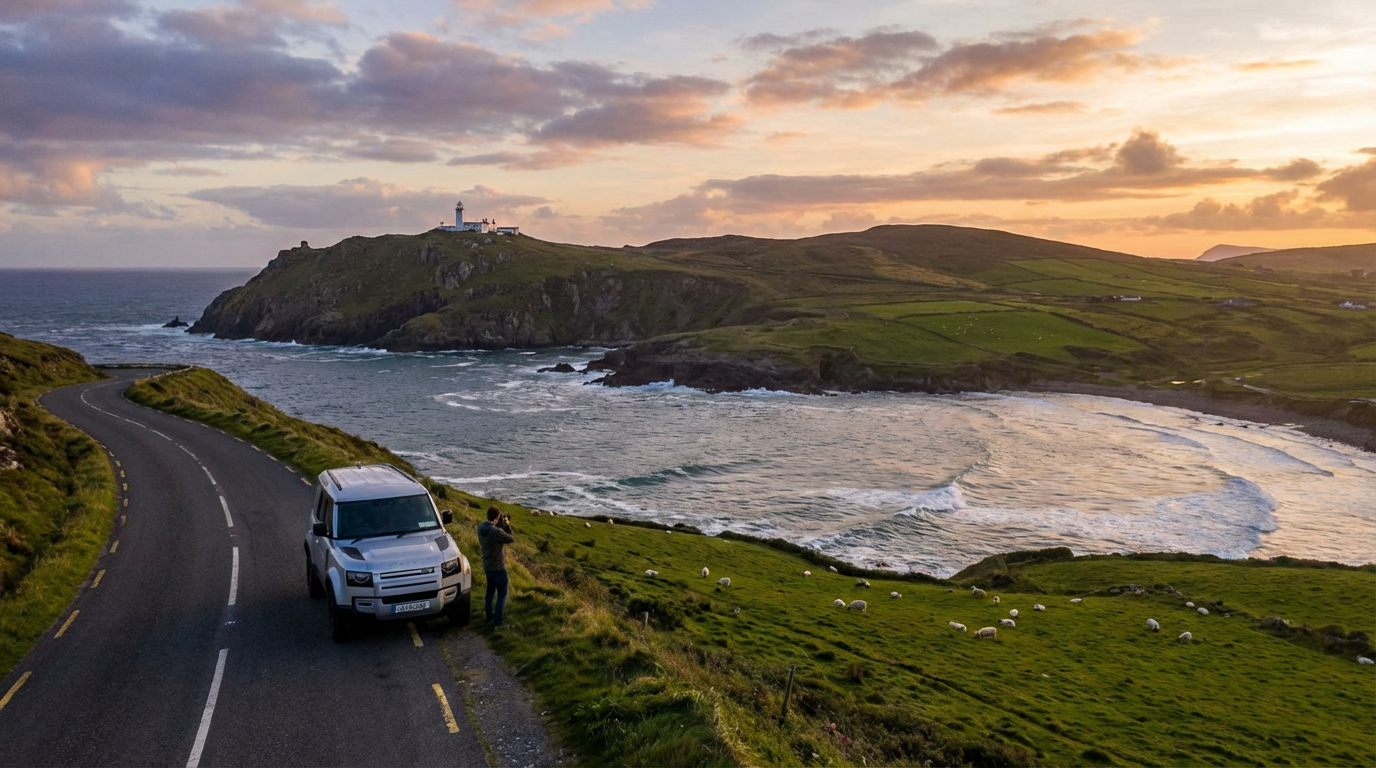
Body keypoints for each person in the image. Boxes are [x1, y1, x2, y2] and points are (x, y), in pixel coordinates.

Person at [476, 506, 514, 626]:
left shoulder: (481, 527)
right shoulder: (496, 532)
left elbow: (492, 531)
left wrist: (498, 524)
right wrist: (507, 524)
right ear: (497, 517)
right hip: (498, 566)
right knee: (502, 593)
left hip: (487, 565)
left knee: (490, 591)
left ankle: (488, 615)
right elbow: (510, 538)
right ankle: (498, 620)